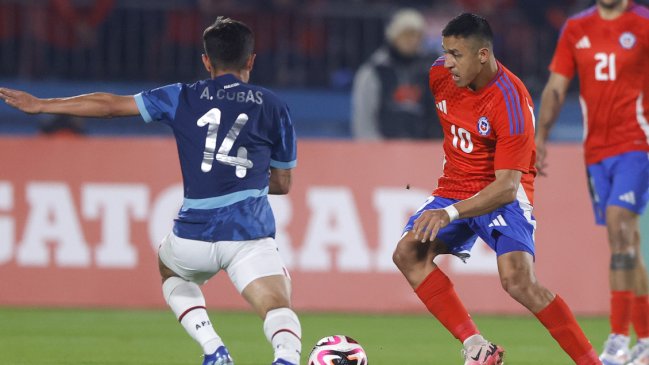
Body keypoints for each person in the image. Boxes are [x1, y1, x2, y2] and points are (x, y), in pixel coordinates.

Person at [0, 17, 302, 365]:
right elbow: (282, 184)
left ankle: (213, 348)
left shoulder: (181, 96)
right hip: (248, 235)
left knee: (170, 270)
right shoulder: (274, 106)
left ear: (206, 61)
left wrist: (41, 105)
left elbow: (111, 106)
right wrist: (245, 179)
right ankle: (287, 357)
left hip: (193, 238)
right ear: (251, 60)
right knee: (277, 306)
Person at [392, 13, 601, 365]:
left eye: (457, 54)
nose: (448, 63)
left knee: (518, 281)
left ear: (483, 55)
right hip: (454, 186)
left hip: (501, 192)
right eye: (445, 52)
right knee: (407, 253)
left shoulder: (511, 102)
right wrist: (450, 200)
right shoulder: (438, 75)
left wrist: (450, 213)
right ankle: (477, 348)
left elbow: (507, 186)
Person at [535, 1, 649, 364]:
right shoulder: (575, 28)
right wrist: (539, 137)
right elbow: (556, 87)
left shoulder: (644, 24)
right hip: (595, 152)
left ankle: (617, 340)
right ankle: (646, 341)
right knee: (625, 242)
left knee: (619, 225)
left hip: (637, 143)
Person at [351, 8, 442, 140]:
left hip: (423, 152)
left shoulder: (431, 70)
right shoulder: (374, 70)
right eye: (406, 34)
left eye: (417, 35)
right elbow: (364, 119)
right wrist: (371, 151)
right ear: (394, 36)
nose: (412, 40)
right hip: (383, 152)